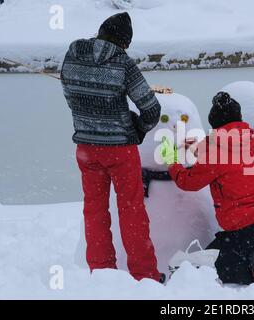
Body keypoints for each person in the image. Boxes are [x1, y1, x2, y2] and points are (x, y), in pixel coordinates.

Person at [60, 12, 164, 283]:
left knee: (94, 209)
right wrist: (137, 128)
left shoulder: (71, 56)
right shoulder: (122, 63)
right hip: (119, 149)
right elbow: (152, 109)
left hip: (85, 147)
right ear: (123, 42)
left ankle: (102, 273)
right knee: (131, 210)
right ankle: (145, 275)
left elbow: (70, 95)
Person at [162, 92, 254, 285]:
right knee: (222, 258)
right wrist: (193, 146)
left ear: (215, 123)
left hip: (244, 227)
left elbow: (188, 182)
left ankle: (253, 264)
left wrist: (171, 161)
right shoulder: (252, 139)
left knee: (214, 270)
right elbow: (223, 152)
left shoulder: (215, 151)